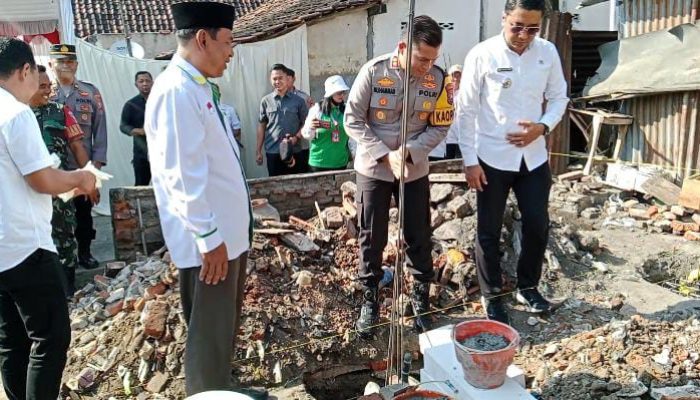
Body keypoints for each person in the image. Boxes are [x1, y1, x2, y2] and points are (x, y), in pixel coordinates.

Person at [145, 3, 265, 398]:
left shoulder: (195, 86)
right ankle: (209, 393)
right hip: (211, 245)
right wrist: (209, 237)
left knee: (221, 331)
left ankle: (222, 389)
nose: (232, 51)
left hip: (224, 239)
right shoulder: (177, 91)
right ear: (203, 39)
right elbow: (182, 176)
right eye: (228, 41)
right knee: (208, 336)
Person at [456, 0, 568, 325]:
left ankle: (528, 286)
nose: (523, 35)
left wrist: (543, 126)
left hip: (533, 160)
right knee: (488, 231)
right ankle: (492, 297)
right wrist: (469, 161)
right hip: (491, 158)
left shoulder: (546, 52)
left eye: (532, 29)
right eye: (517, 26)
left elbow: (560, 97)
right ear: (504, 18)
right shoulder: (483, 54)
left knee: (537, 224)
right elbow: (466, 110)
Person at [0, 37, 96, 400]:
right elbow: (41, 179)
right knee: (50, 337)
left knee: (12, 340)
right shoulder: (16, 113)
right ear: (25, 69)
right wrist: (79, 178)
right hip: (26, 246)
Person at [344, 15, 453, 336]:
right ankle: (370, 299)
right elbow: (352, 120)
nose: (426, 66)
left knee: (418, 233)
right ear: (403, 47)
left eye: (432, 59)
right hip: (374, 168)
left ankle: (421, 298)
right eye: (421, 58)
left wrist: (408, 152)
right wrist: (384, 153)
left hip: (413, 169)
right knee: (371, 235)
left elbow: (441, 124)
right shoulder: (375, 71)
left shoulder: (438, 78)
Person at [29, 64, 95, 296]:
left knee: (65, 236)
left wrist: (90, 177)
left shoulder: (60, 111)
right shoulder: (16, 115)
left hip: (59, 187)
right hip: (29, 191)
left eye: (48, 86)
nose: (47, 91)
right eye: (41, 86)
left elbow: (77, 146)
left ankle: (68, 289)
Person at [49, 43, 107, 270]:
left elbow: (100, 132)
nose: (65, 66)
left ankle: (85, 252)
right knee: (56, 218)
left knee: (84, 214)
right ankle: (62, 259)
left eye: (70, 61)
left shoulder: (90, 92)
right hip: (53, 171)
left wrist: (95, 168)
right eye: (60, 62)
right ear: (51, 64)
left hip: (82, 168)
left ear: (77, 64)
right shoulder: (44, 91)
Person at [257, 64, 308, 176]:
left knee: (296, 185)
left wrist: (296, 138)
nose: (277, 81)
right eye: (274, 79)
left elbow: (306, 124)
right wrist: (258, 151)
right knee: (275, 187)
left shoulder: (299, 101)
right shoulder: (265, 101)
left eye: (280, 78)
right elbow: (262, 126)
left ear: (287, 78)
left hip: (294, 151)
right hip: (273, 151)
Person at [301, 75, 352, 172]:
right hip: (319, 163)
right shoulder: (317, 109)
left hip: (341, 163)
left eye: (343, 92)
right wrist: (311, 127)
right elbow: (306, 135)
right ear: (330, 94)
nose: (342, 95)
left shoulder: (347, 110)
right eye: (338, 92)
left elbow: (352, 136)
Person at [120, 70, 153, 186]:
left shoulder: (161, 101)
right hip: (141, 154)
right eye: (141, 81)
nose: (145, 84)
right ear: (136, 84)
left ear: (152, 83)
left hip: (162, 153)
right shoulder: (131, 105)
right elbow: (123, 126)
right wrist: (138, 131)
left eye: (147, 81)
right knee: (140, 187)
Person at [429, 64, 463, 161]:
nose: (455, 78)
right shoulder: (441, 93)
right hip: (444, 139)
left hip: (459, 139)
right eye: (453, 75)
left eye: (458, 75)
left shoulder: (465, 94)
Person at [288, 68, 313, 173]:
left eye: (289, 78)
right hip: (286, 142)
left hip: (302, 142)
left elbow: (310, 117)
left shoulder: (304, 97)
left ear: (294, 79)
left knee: (302, 171)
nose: (287, 81)